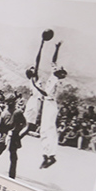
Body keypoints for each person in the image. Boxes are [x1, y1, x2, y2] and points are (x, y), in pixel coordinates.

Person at [31, 41, 66, 169]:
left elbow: (46, 93)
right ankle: (47, 155)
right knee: (44, 129)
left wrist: (35, 86)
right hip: (48, 104)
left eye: (61, 71)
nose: (58, 69)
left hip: (50, 104)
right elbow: (53, 61)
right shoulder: (54, 74)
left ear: (62, 75)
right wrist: (57, 48)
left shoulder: (56, 81)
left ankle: (51, 155)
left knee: (48, 129)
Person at [0, 94, 28, 179]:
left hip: (4, 137)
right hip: (14, 138)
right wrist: (18, 133)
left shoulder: (4, 113)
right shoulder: (18, 112)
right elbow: (25, 124)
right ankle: (11, 177)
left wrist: (4, 134)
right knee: (13, 158)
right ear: (14, 103)